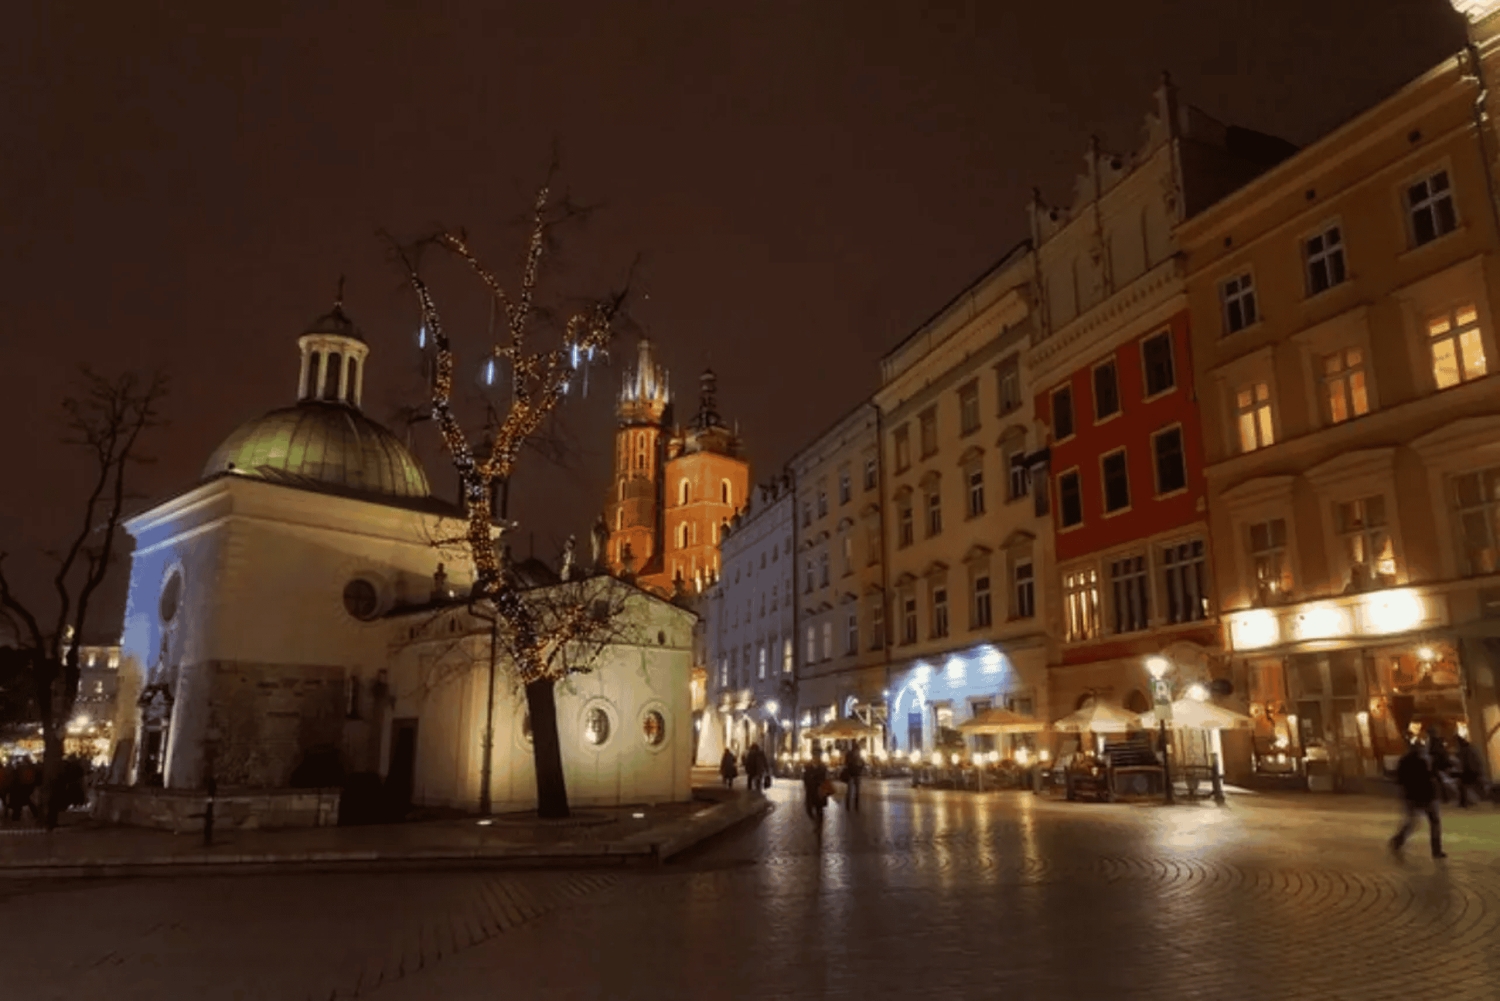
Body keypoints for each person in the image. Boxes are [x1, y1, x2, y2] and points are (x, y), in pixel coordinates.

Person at [1391, 739, 1446, 859]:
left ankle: (1398, 840)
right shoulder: (1423, 760)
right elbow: (1430, 776)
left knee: (1412, 822)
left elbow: (1400, 780)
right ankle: (1436, 850)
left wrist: (1403, 794)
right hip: (1427, 795)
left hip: (1413, 796)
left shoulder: (1404, 761)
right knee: (1434, 822)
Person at [1455, 734, 1487, 807]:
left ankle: (1464, 802)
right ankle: (1465, 801)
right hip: (1475, 771)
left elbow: (1466, 763)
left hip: (1473, 772)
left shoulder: (1465, 750)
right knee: (1462, 784)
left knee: (1462, 783)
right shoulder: (1471, 749)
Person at [802, 750, 830, 829]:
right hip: (810, 790)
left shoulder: (823, 767)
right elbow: (805, 777)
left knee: (819, 809)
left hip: (819, 790)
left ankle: (819, 825)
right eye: (815, 755)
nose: (816, 757)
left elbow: (825, 779)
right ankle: (815, 822)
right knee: (809, 810)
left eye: (817, 756)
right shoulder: (808, 766)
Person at [1428, 728, 1455, 804]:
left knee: (1441, 781)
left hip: (1438, 765)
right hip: (1440, 765)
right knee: (1442, 781)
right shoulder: (1438, 742)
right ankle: (1445, 798)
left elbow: (1435, 753)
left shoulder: (1433, 742)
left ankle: (1444, 797)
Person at [842, 745, 865, 811]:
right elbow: (846, 763)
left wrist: (860, 767)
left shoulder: (858, 756)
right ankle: (848, 805)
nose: (857, 751)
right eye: (857, 750)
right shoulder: (850, 755)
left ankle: (855, 805)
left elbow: (863, 763)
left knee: (856, 791)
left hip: (856, 774)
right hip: (850, 775)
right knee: (850, 791)